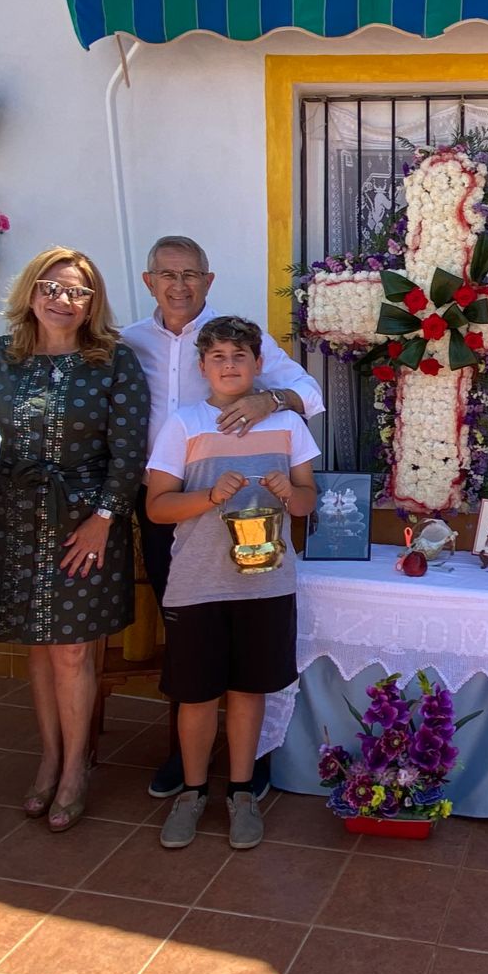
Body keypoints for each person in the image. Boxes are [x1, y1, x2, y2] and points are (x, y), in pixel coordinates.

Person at [121, 236, 323, 801]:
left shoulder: (240, 338)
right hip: (173, 503)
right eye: (167, 274)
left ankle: (245, 758)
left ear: (208, 281)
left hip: (255, 500)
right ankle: (183, 756)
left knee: (248, 642)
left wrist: (271, 400)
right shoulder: (128, 341)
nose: (179, 284)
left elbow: (307, 391)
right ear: (149, 281)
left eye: (191, 274)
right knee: (188, 630)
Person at [0, 248, 149, 831]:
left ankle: (76, 769)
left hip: (85, 522)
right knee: (38, 647)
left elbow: (129, 451)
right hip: (10, 519)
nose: (62, 300)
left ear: (93, 303)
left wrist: (103, 518)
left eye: (77, 291)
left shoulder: (113, 362)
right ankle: (49, 758)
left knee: (72, 647)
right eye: (51, 287)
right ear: (30, 292)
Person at [144, 316, 318, 853]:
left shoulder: (289, 425)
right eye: (217, 357)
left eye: (239, 356)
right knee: (196, 696)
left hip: (266, 584)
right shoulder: (185, 424)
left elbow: (308, 500)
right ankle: (193, 793)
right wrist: (211, 497)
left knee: (248, 690)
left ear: (258, 364)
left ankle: (241, 792)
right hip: (198, 584)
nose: (229, 366)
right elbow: (157, 507)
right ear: (202, 367)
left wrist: (289, 490)